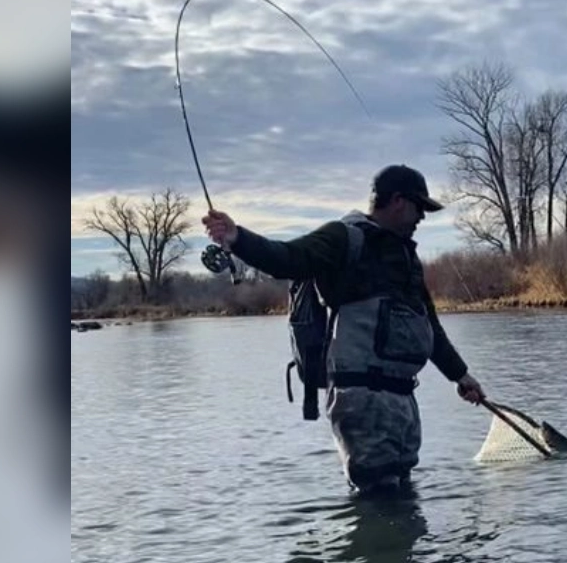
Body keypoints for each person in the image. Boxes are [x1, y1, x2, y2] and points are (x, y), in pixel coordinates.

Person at [201, 165, 487, 496]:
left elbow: (428, 325)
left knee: (403, 496)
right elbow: (287, 258)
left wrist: (460, 375)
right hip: (362, 397)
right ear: (397, 201)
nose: (421, 216)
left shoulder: (405, 255)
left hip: (401, 399)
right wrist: (237, 238)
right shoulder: (343, 237)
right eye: (419, 207)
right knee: (379, 497)